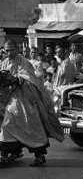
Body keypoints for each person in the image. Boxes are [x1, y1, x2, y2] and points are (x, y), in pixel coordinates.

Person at [0, 39, 64, 167]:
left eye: (11, 50)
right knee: (8, 125)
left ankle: (40, 155)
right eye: (6, 51)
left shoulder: (24, 62)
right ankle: (8, 153)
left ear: (16, 49)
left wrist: (15, 79)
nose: (9, 53)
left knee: (31, 125)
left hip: (25, 98)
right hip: (11, 99)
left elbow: (30, 79)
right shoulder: (5, 62)